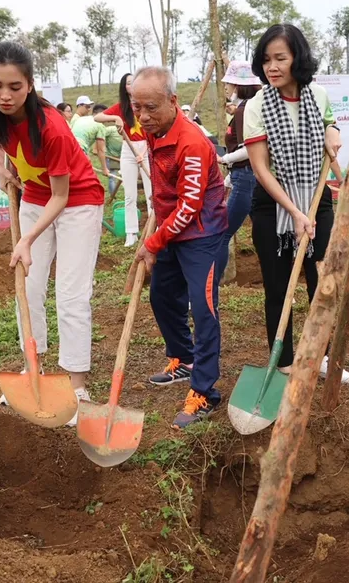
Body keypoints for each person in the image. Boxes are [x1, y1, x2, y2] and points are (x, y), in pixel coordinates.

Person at [0, 41, 105, 426]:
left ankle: (77, 385)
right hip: (34, 195)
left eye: (15, 87)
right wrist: (0, 167)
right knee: (28, 287)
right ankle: (30, 366)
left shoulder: (52, 128)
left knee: (70, 292)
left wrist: (26, 238)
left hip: (78, 202)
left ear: (30, 85)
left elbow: (63, 195)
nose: (4, 95)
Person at [243, 23, 349, 384]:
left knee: (322, 282)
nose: (272, 67)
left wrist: (333, 132)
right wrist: (293, 211)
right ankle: (286, 363)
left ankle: (320, 356)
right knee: (278, 288)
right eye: (266, 60)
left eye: (280, 59)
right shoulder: (256, 106)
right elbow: (260, 168)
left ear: (297, 59)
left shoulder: (317, 95)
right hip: (273, 207)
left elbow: (330, 123)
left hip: (317, 200)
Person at [128, 66, 228, 429]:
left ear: (173, 102)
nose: (143, 116)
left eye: (150, 107)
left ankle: (205, 392)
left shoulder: (193, 143)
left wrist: (152, 243)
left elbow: (189, 207)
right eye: (136, 106)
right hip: (171, 229)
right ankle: (183, 359)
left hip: (202, 235)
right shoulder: (152, 129)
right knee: (161, 295)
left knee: (204, 312)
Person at [95, 73, 153, 247]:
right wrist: (116, 118)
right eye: (128, 83)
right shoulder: (122, 107)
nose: (132, 85)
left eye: (134, 82)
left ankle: (153, 231)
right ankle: (131, 233)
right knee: (130, 195)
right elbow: (97, 117)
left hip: (147, 148)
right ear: (124, 87)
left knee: (152, 193)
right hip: (128, 150)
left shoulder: (145, 104)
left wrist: (146, 151)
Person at [216, 61, 261, 279]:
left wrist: (224, 159)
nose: (225, 87)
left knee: (222, 233)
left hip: (245, 177)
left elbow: (249, 150)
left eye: (229, 83)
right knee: (263, 230)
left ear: (239, 86)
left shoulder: (245, 111)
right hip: (244, 176)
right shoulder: (246, 108)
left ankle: (212, 282)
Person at [70, 98, 110, 176]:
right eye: (107, 116)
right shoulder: (100, 125)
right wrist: (104, 169)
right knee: (88, 176)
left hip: (70, 147)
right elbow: (100, 150)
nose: (108, 120)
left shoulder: (82, 119)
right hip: (79, 149)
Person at [94, 103, 123, 196]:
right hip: (111, 157)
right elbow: (99, 137)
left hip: (123, 157)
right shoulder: (110, 129)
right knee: (112, 177)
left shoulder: (124, 130)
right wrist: (96, 149)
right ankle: (113, 195)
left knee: (125, 176)